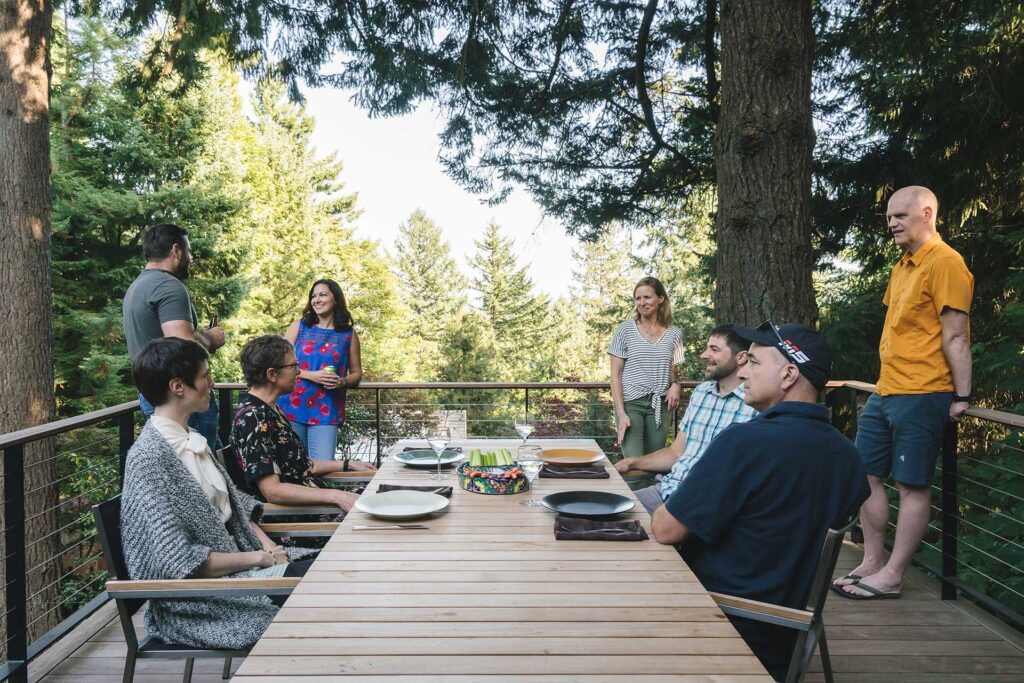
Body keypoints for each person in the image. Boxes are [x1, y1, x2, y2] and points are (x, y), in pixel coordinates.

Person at [651, 322, 869, 681]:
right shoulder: (848, 456)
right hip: (788, 632)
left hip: (721, 623)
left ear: (788, 374)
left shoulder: (744, 443)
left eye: (753, 362)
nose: (743, 373)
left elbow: (665, 528)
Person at [120, 337, 316, 650]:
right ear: (179, 386)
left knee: (331, 572)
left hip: (243, 570)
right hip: (202, 602)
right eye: (205, 375)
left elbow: (233, 506)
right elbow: (177, 560)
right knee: (323, 598)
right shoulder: (150, 458)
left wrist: (267, 546)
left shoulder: (191, 437)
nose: (213, 382)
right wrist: (260, 558)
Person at [834, 186, 973, 600]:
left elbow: (956, 335)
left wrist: (962, 396)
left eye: (900, 215)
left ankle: (893, 574)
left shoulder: (946, 263)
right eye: (889, 216)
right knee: (864, 474)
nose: (892, 223)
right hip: (886, 389)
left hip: (924, 391)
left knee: (912, 485)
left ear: (927, 213)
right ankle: (872, 561)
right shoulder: (903, 266)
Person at [615, 324, 757, 513]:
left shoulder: (755, 405)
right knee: (607, 510)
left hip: (701, 504)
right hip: (666, 490)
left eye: (714, 349)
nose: (704, 355)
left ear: (741, 357)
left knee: (622, 526)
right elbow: (676, 453)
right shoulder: (701, 393)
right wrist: (631, 463)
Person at [232, 335, 375, 516]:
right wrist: (336, 496)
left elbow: (302, 464)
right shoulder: (253, 419)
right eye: (293, 366)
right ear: (271, 374)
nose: (299, 372)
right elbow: (273, 491)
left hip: (319, 511)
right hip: (305, 522)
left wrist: (348, 464)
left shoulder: (270, 410)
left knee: (385, 495)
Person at [122, 223, 225, 448]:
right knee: (198, 467)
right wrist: (210, 338)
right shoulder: (169, 286)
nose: (191, 258)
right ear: (176, 251)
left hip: (154, 395)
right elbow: (181, 341)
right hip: (182, 398)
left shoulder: (137, 286)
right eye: (189, 252)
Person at [278, 279, 363, 460]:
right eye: (313, 296)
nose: (316, 299)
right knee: (293, 466)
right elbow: (278, 362)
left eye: (322, 294)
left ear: (336, 299)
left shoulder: (348, 334)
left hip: (327, 410)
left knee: (323, 467)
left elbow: (357, 373)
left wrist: (344, 381)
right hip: (291, 406)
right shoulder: (298, 326)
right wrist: (312, 376)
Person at [608, 276, 684, 458]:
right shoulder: (625, 330)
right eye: (638, 298)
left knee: (654, 463)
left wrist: (676, 384)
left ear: (660, 299)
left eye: (647, 297)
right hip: (631, 403)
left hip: (660, 404)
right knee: (634, 464)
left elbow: (676, 368)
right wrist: (621, 413)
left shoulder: (675, 333)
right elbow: (615, 375)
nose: (642, 303)